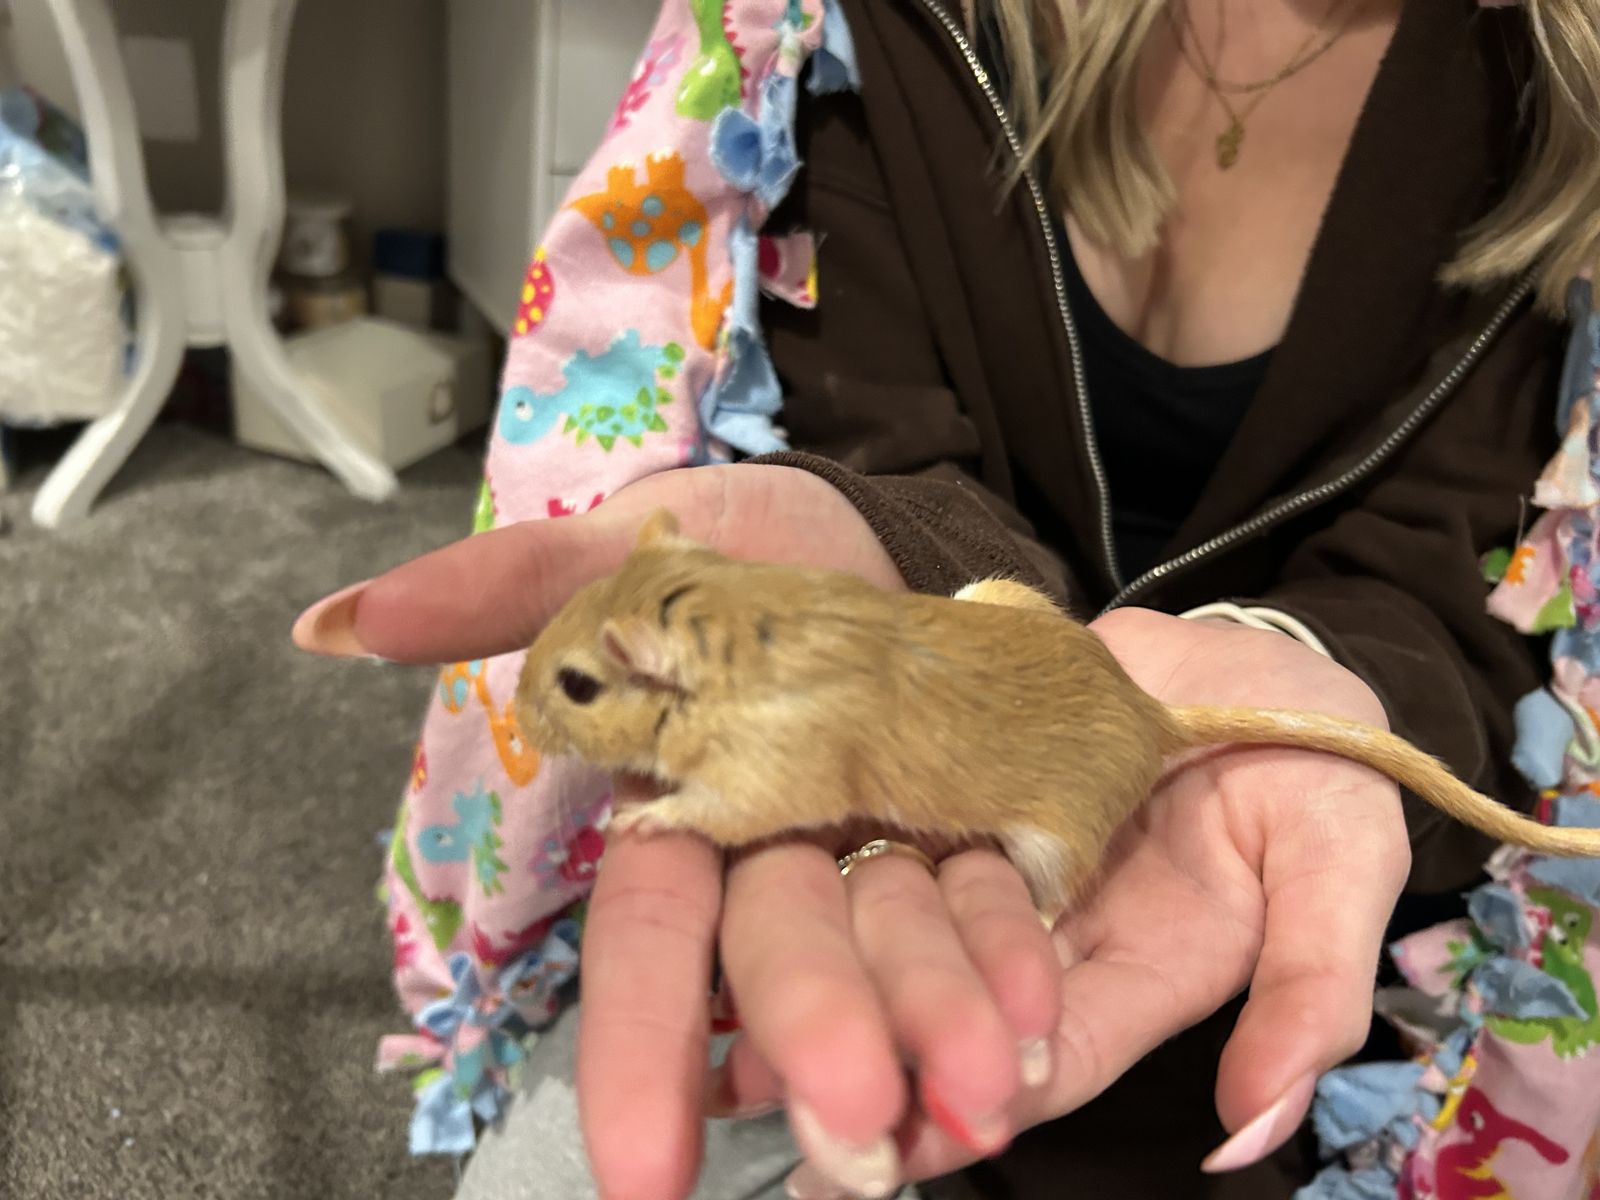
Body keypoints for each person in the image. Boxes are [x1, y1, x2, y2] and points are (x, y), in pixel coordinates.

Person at [292, 0, 1600, 1196]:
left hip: (1306, 930)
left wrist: (1310, 655)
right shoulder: (850, 39)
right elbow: (871, 448)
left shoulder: (1548, 95)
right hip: (905, 853)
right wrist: (869, 524)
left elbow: (1476, 556)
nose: (554, 723)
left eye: (580, 692)